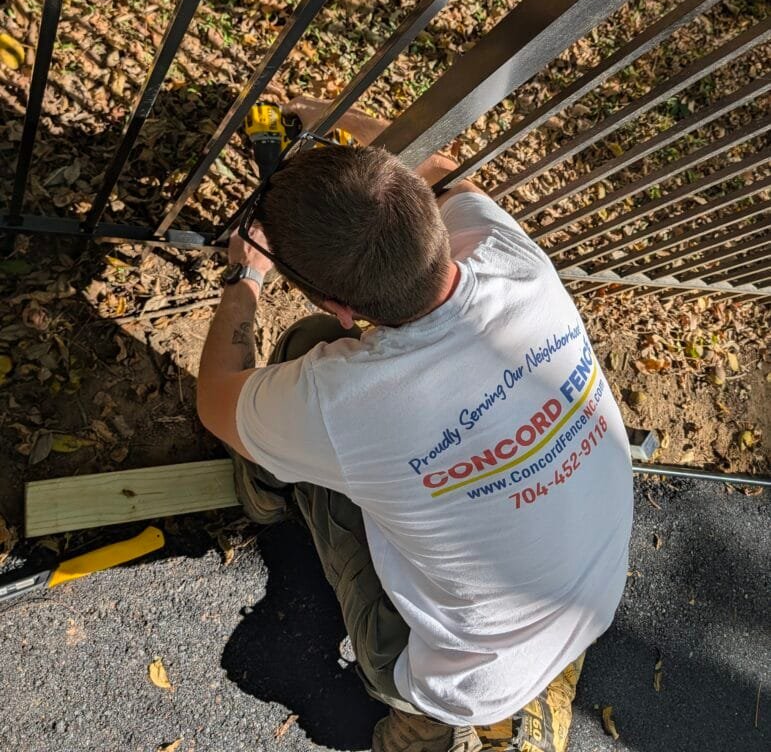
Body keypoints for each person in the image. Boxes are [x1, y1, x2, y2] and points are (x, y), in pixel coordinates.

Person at [197, 96, 633, 752]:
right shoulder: (512, 258)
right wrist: (319, 112)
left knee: (295, 352)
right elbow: (443, 168)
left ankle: (416, 728)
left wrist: (246, 276)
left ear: (339, 306)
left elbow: (215, 401)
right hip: (591, 603)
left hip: (466, 674)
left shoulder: (343, 401)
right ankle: (500, 710)